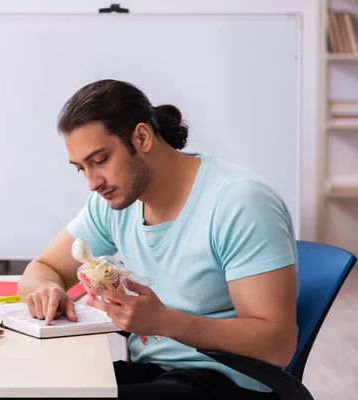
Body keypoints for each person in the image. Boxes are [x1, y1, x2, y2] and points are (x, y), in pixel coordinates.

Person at [16, 79, 298, 400]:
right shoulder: (114, 201)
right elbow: (43, 267)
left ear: (141, 137)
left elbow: (278, 344)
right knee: (27, 387)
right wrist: (46, 290)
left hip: (229, 382)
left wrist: (164, 321)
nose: (92, 182)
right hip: (157, 373)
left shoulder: (239, 202)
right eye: (81, 168)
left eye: (100, 160)